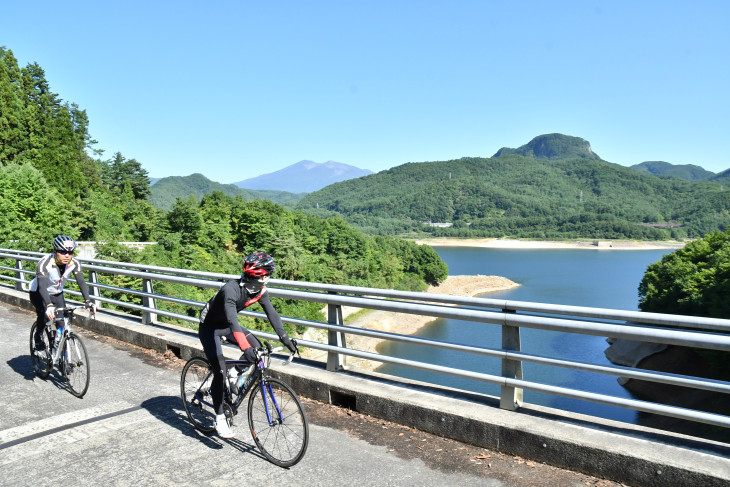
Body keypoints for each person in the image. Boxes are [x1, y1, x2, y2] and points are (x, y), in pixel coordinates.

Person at [198, 251, 296, 438]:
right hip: (210, 327)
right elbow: (234, 322)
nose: (269, 278)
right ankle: (219, 419)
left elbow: (272, 314)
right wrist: (245, 348)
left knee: (257, 349)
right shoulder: (231, 290)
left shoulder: (259, 290)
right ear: (260, 275)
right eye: (268, 274)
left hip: (227, 325)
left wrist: (285, 338)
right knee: (219, 371)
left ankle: (234, 373)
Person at [29, 235, 95, 351]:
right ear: (55, 251)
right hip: (38, 292)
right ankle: (38, 334)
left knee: (62, 325)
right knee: (45, 314)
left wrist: (88, 301)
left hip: (57, 293)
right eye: (63, 252)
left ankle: (64, 361)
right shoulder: (45, 263)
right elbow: (42, 287)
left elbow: (81, 282)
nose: (67, 255)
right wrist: (48, 306)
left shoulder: (74, 263)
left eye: (70, 252)